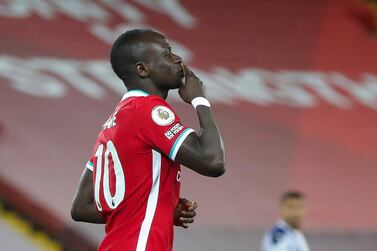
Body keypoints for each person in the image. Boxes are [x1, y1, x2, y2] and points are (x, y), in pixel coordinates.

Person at [71, 29, 225, 251]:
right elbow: (213, 161)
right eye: (167, 54)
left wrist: (159, 210)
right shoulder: (147, 110)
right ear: (143, 69)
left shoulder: (112, 124)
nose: (178, 60)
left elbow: (81, 207)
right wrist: (200, 100)